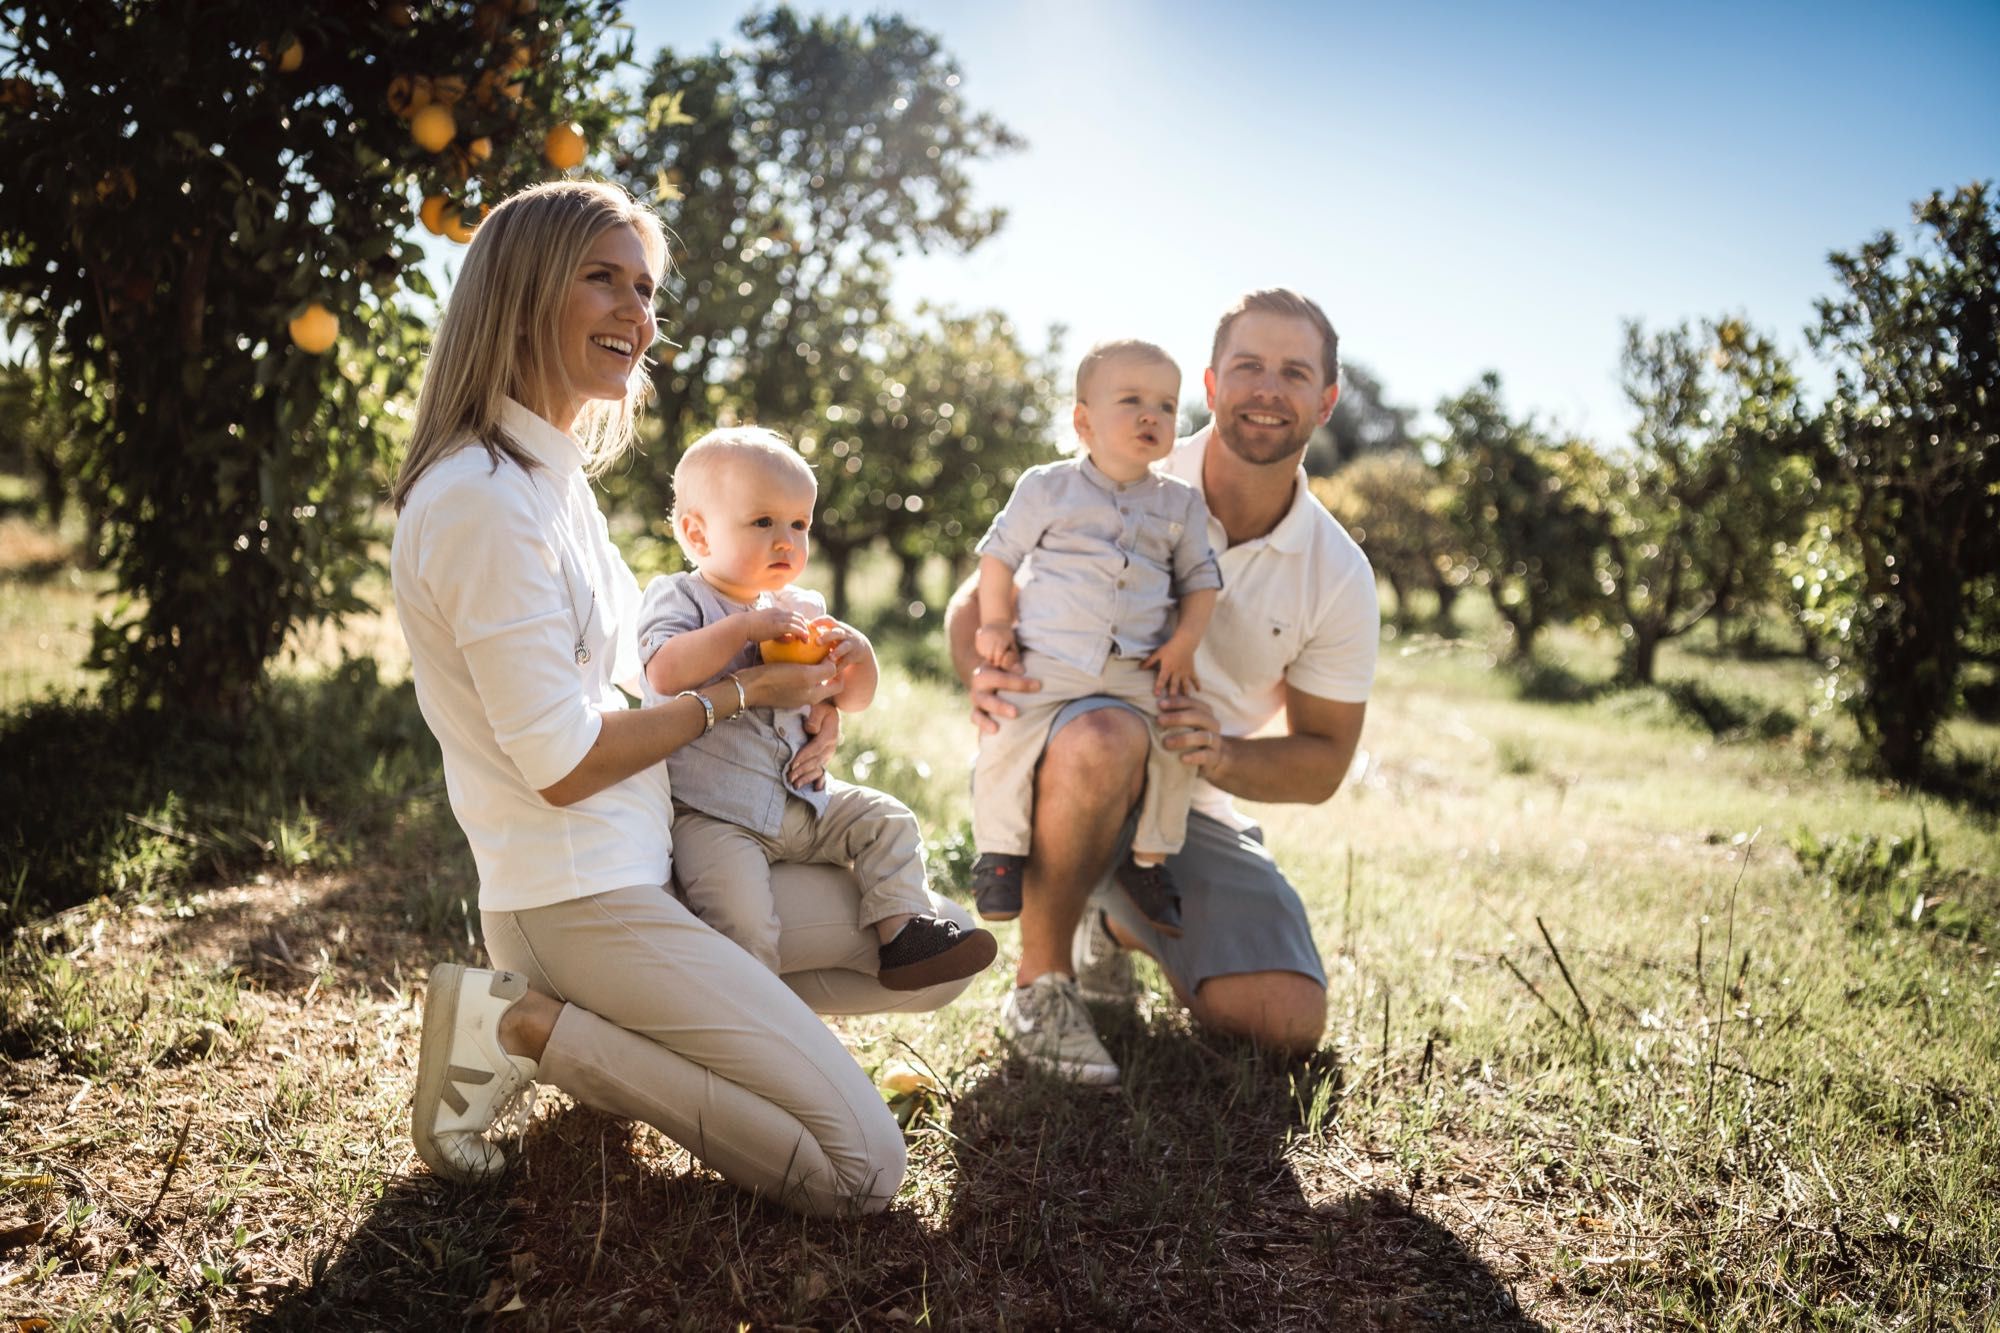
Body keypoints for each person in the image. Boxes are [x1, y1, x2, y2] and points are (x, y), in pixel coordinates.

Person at [390, 179, 979, 1216]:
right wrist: (743, 690)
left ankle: (657, 1037)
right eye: (602, 280)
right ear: (524, 291)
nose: (636, 312)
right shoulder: (480, 501)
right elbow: (562, 762)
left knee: (923, 952)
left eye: (645, 288)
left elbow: (638, 671)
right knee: (862, 1172)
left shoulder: (552, 482)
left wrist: (808, 680)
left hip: (654, 861)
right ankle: (524, 1025)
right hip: (577, 898)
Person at [946, 289, 1379, 1087]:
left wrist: (1218, 753)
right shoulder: (1129, 444)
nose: (1265, 388)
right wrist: (985, 674)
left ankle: (1113, 914)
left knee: (1286, 1020)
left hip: (1183, 800)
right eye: (1247, 366)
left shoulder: (1339, 574)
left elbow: (1323, 763)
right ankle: (1041, 986)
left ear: (1326, 399)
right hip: (1067, 747)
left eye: (1293, 371)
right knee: (1103, 736)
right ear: (1213, 387)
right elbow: (977, 598)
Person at [637, 425, 997, 988]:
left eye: (800, 524)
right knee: (743, 919)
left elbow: (850, 698)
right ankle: (751, 1010)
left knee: (888, 821)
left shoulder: (801, 608)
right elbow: (663, 671)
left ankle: (903, 935)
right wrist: (745, 628)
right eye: (763, 522)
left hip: (806, 803)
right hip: (714, 813)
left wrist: (860, 656)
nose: (787, 541)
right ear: (697, 534)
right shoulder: (681, 597)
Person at [967, 340, 1220, 937]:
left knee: (1178, 740)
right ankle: (1000, 851)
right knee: (1005, 733)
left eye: (1165, 404)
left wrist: (1183, 644)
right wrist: (996, 624)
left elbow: (1201, 581)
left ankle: (1149, 861)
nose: (1150, 416)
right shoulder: (1047, 488)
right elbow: (998, 559)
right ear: (1083, 421)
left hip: (1139, 665)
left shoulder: (1180, 504)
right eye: (1130, 400)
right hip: (1047, 658)